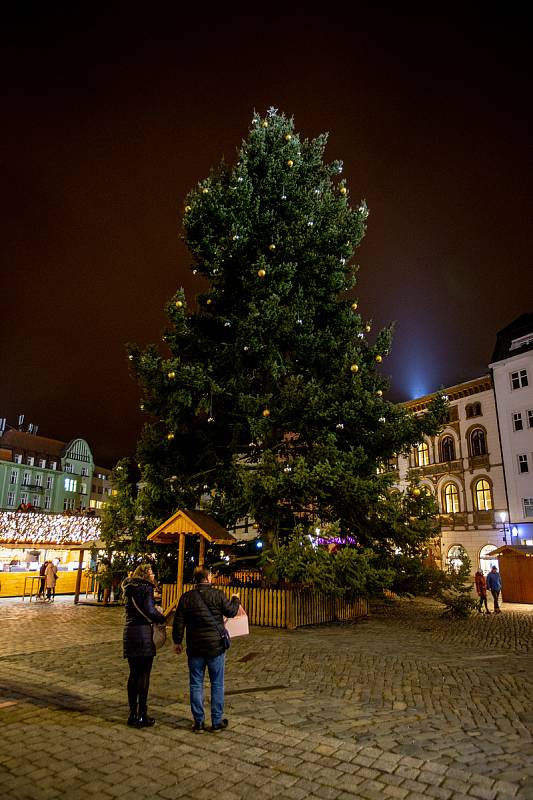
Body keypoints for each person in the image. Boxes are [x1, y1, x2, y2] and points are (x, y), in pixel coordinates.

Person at [172, 566, 240, 733]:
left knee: (196, 684)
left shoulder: (186, 598)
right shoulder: (217, 595)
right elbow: (231, 612)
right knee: (217, 683)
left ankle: (199, 722)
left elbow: (178, 621)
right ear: (208, 578)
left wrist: (177, 641)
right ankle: (216, 721)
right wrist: (235, 599)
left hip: (195, 647)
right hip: (215, 647)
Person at [122, 563, 166, 728]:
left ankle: (132, 714)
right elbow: (149, 610)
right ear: (146, 575)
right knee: (144, 674)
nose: (153, 575)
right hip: (143, 634)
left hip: (129, 633)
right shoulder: (146, 588)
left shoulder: (128, 589)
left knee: (133, 674)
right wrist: (161, 617)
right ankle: (142, 714)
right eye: (151, 572)